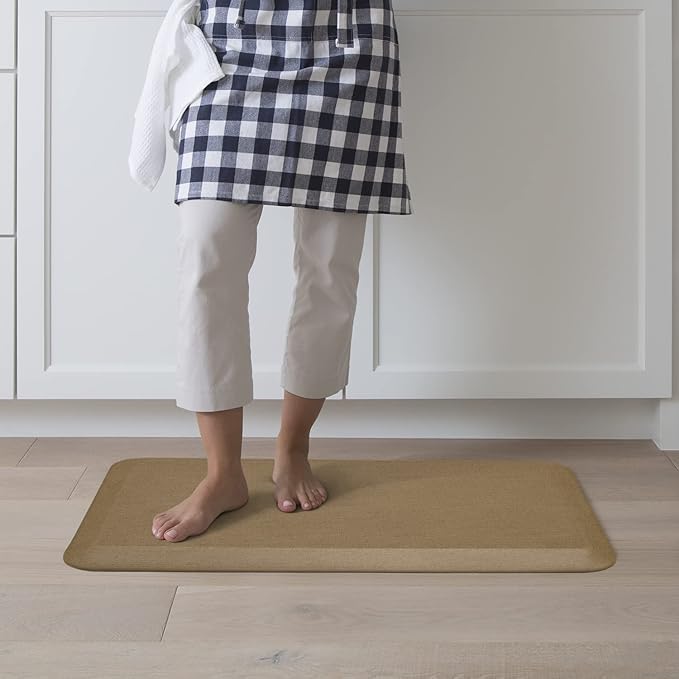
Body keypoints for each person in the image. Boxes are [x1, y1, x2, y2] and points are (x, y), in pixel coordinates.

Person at [145, 0, 413, 542]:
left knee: (329, 267)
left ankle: (293, 448)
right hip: (228, 47)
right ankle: (222, 474)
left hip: (348, 42)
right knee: (206, 256)